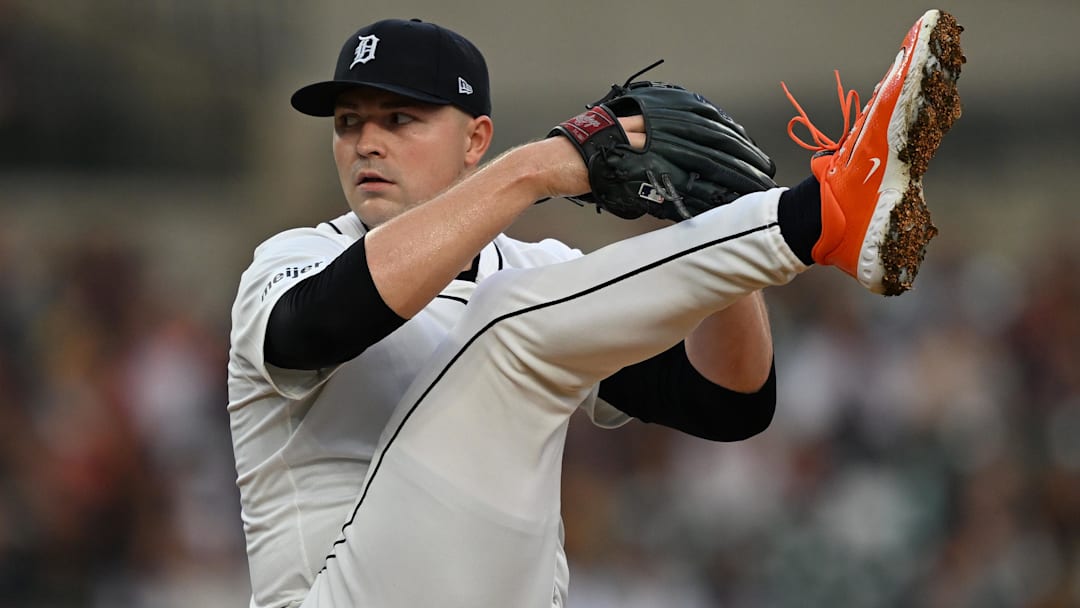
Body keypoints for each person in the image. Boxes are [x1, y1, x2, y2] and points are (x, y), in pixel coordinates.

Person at [227, 11, 963, 608]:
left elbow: (726, 404)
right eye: (349, 122)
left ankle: (814, 216)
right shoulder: (294, 259)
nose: (366, 142)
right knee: (506, 322)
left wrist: (705, 221)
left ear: (475, 139)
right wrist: (541, 165)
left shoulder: (541, 276)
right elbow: (322, 324)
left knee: (518, 307)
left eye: (399, 118)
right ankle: (823, 214)